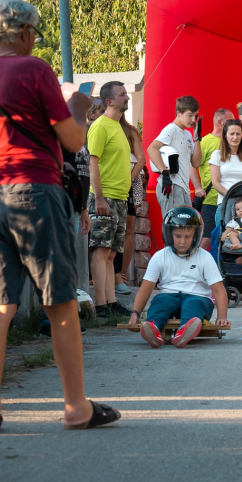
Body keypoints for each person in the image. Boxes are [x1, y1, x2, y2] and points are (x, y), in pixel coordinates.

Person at [0, 0, 119, 432]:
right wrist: (79, 109)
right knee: (61, 303)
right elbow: (71, 141)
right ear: (24, 31)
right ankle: (75, 407)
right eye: (34, 34)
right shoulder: (35, 70)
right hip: (34, 194)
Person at [127, 207, 230, 348]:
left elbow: (218, 290)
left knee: (191, 304)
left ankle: (185, 331)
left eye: (188, 236)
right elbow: (145, 290)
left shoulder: (205, 257)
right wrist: (135, 314)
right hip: (170, 296)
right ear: (169, 234)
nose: (183, 241)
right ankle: (153, 328)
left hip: (198, 298)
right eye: (178, 236)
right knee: (160, 301)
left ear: (196, 235)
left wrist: (222, 316)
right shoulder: (160, 256)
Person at [87, 81, 133, 318]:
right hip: (105, 197)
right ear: (109, 101)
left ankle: (110, 301)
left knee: (112, 253)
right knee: (101, 250)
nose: (127, 97)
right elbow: (92, 162)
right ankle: (101, 305)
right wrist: (100, 198)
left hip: (120, 198)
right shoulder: (101, 126)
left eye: (126, 94)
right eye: (122, 94)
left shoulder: (118, 127)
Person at [147, 95, 203, 220]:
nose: (193, 119)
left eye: (196, 115)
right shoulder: (171, 129)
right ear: (178, 113)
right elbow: (151, 148)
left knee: (184, 228)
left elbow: (196, 163)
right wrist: (164, 172)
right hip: (171, 185)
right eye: (190, 115)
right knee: (174, 227)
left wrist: (197, 138)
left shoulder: (188, 134)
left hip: (184, 187)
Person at [117, 116, 146, 295]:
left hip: (129, 182)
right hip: (107, 183)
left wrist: (130, 180)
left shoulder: (130, 130)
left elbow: (141, 159)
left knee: (128, 229)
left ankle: (121, 275)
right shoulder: (96, 127)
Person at [197, 108, 233, 249]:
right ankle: (193, 268)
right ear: (220, 122)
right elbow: (193, 166)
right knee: (206, 238)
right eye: (231, 121)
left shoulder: (232, 142)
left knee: (229, 238)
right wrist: (198, 187)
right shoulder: (205, 142)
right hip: (211, 199)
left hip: (230, 201)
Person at [208, 119, 242, 208]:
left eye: (238, 134)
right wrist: (231, 197)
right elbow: (215, 183)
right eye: (232, 134)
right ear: (225, 136)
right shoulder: (216, 155)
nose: (235, 137)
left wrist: (241, 200)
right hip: (224, 203)